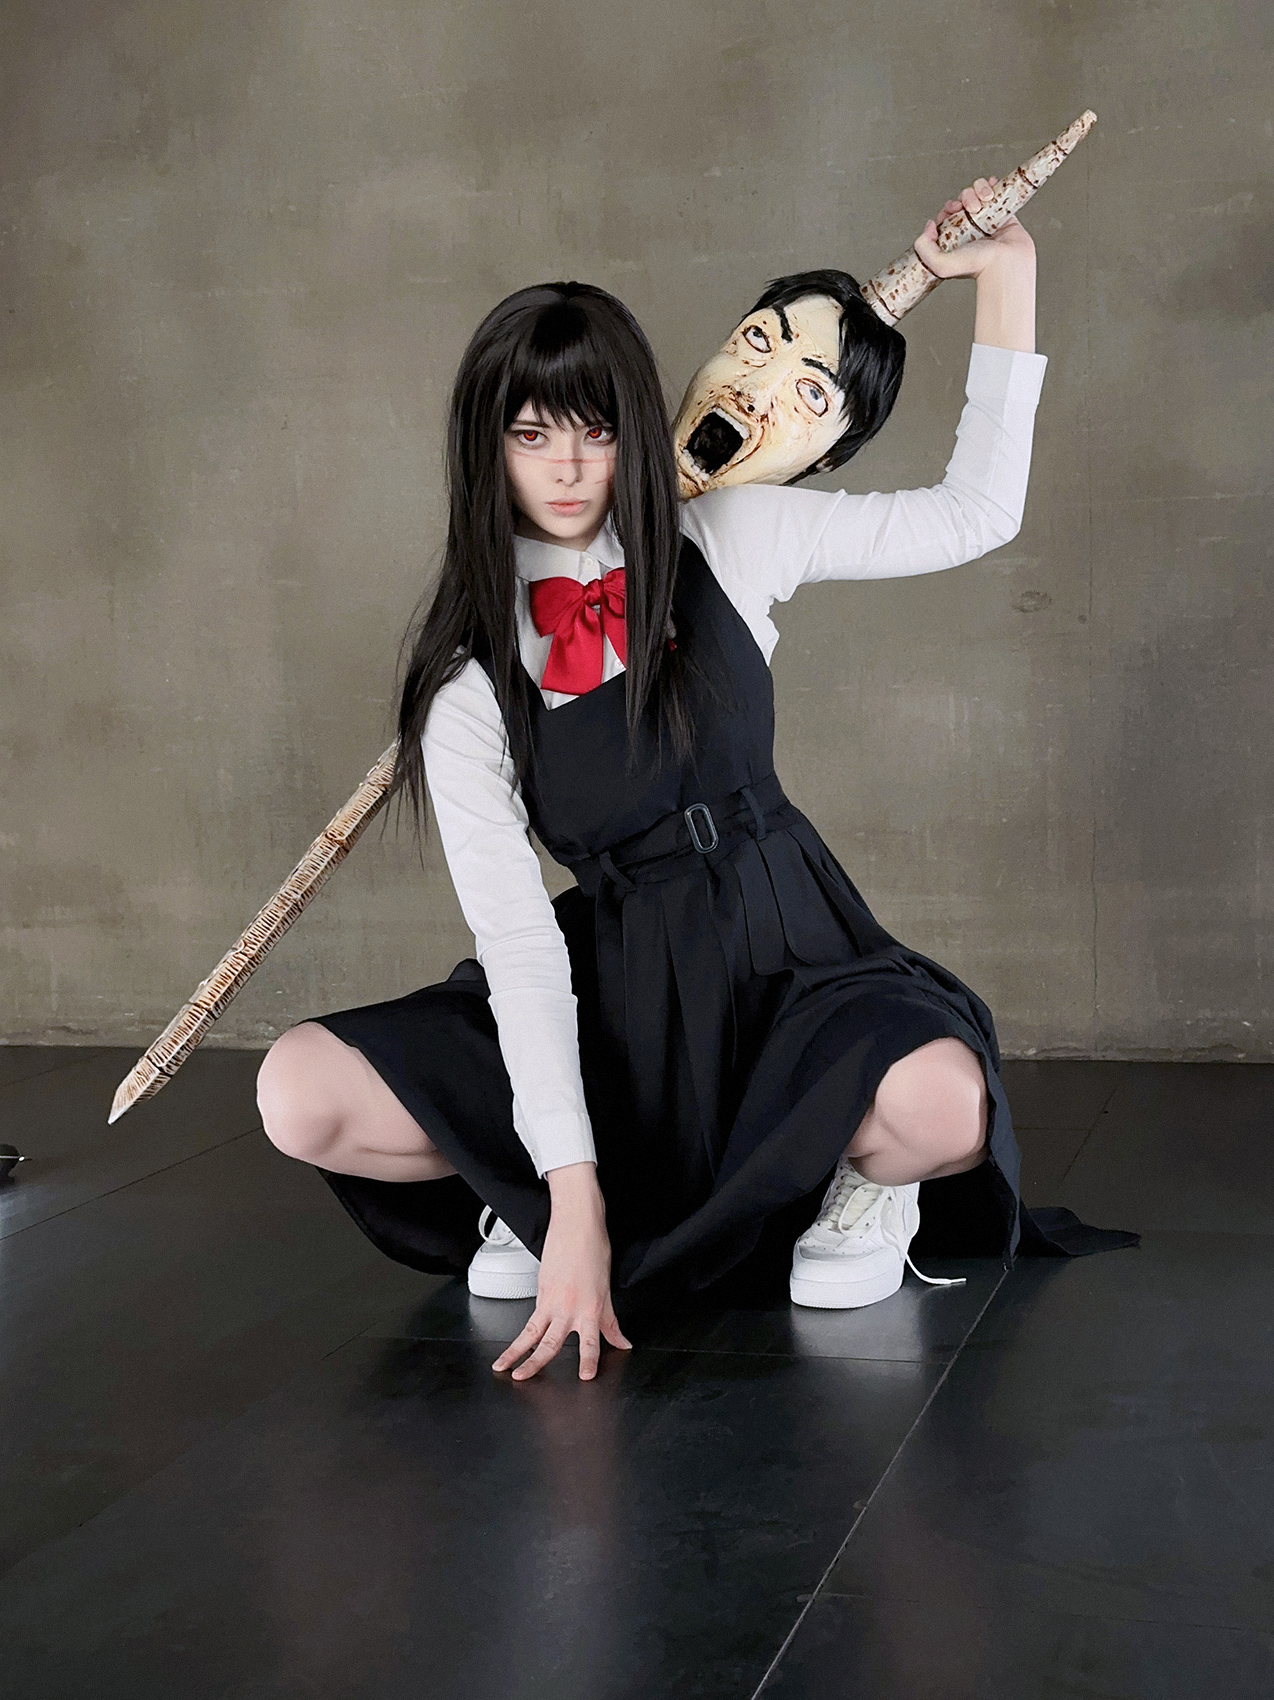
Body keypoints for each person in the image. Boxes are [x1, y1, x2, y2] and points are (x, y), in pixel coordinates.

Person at [256, 178, 1047, 1383]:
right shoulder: (466, 682)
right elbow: (519, 945)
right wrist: (567, 1205)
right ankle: (551, 1189)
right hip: (614, 988)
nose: (567, 467)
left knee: (945, 1105)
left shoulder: (730, 536)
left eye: (594, 430)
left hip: (788, 952)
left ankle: (855, 1182)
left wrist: (1006, 274)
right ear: (485, 448)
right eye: (531, 434)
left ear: (633, 427)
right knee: (297, 1090)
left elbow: (975, 512)